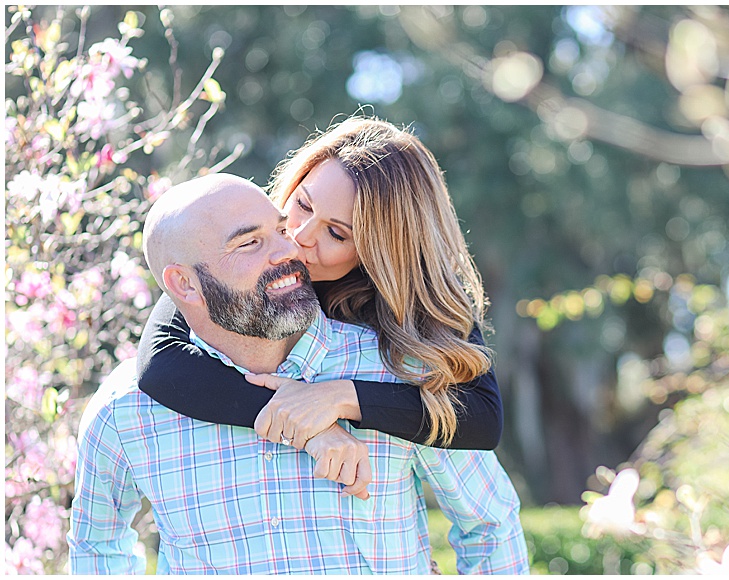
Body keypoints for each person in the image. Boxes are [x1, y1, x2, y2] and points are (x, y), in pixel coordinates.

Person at [68, 174, 529, 574]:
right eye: (250, 242)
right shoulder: (124, 412)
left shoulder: (401, 368)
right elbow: (97, 547)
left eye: (279, 229)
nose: (292, 247)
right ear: (184, 284)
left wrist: (343, 400)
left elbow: (488, 524)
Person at [136, 117, 502, 456]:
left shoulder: (415, 300)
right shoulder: (251, 256)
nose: (297, 237)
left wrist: (340, 398)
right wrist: (306, 425)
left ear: (380, 252)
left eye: (336, 233)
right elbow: (159, 365)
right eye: (304, 205)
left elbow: (483, 419)